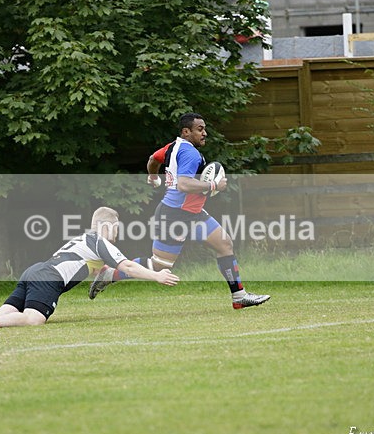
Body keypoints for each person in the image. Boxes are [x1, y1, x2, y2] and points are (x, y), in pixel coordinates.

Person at [89, 112, 269, 309]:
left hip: (193, 213)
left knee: (224, 243)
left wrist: (152, 177)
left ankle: (239, 296)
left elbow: (152, 159)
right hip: (174, 216)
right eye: (200, 129)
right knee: (160, 266)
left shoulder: (173, 147)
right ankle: (110, 273)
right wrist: (213, 185)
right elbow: (184, 184)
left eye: (204, 129)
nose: (205, 133)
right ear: (186, 131)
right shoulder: (190, 153)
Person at [0, 207, 179, 331]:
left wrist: (113, 276)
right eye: (117, 228)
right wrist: (156, 275)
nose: (118, 233)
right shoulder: (99, 241)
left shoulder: (83, 239)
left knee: (2, 311)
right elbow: (126, 265)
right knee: (33, 320)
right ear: (107, 226)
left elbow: (100, 271)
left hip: (35, 271)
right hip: (48, 278)